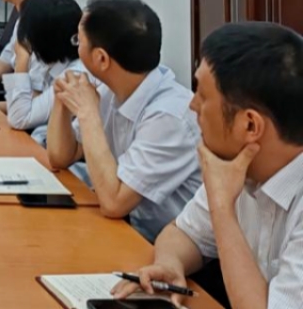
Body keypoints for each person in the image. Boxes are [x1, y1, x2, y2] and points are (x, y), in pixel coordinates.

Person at [113, 22, 303, 309]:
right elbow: (183, 233)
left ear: (250, 125)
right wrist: (170, 263)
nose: (192, 105)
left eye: (202, 95)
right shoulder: (240, 166)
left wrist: (222, 208)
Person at [47, 0, 201, 242]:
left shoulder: (169, 117)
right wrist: (62, 99)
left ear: (101, 59)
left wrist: (87, 113)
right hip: (126, 231)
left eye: (78, 41)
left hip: (167, 248)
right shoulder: (113, 89)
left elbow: (114, 203)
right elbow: (60, 156)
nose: (76, 47)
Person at [3, 0, 84, 137]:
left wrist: (21, 61)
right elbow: (27, 102)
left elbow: (19, 118)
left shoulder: (74, 76)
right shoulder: (51, 60)